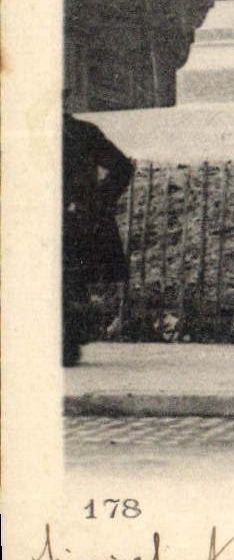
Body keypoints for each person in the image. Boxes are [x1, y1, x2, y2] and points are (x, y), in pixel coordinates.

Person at [62, 106, 134, 366]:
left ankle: (67, 346)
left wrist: (96, 201)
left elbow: (122, 167)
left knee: (67, 283)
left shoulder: (83, 134)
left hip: (73, 221)